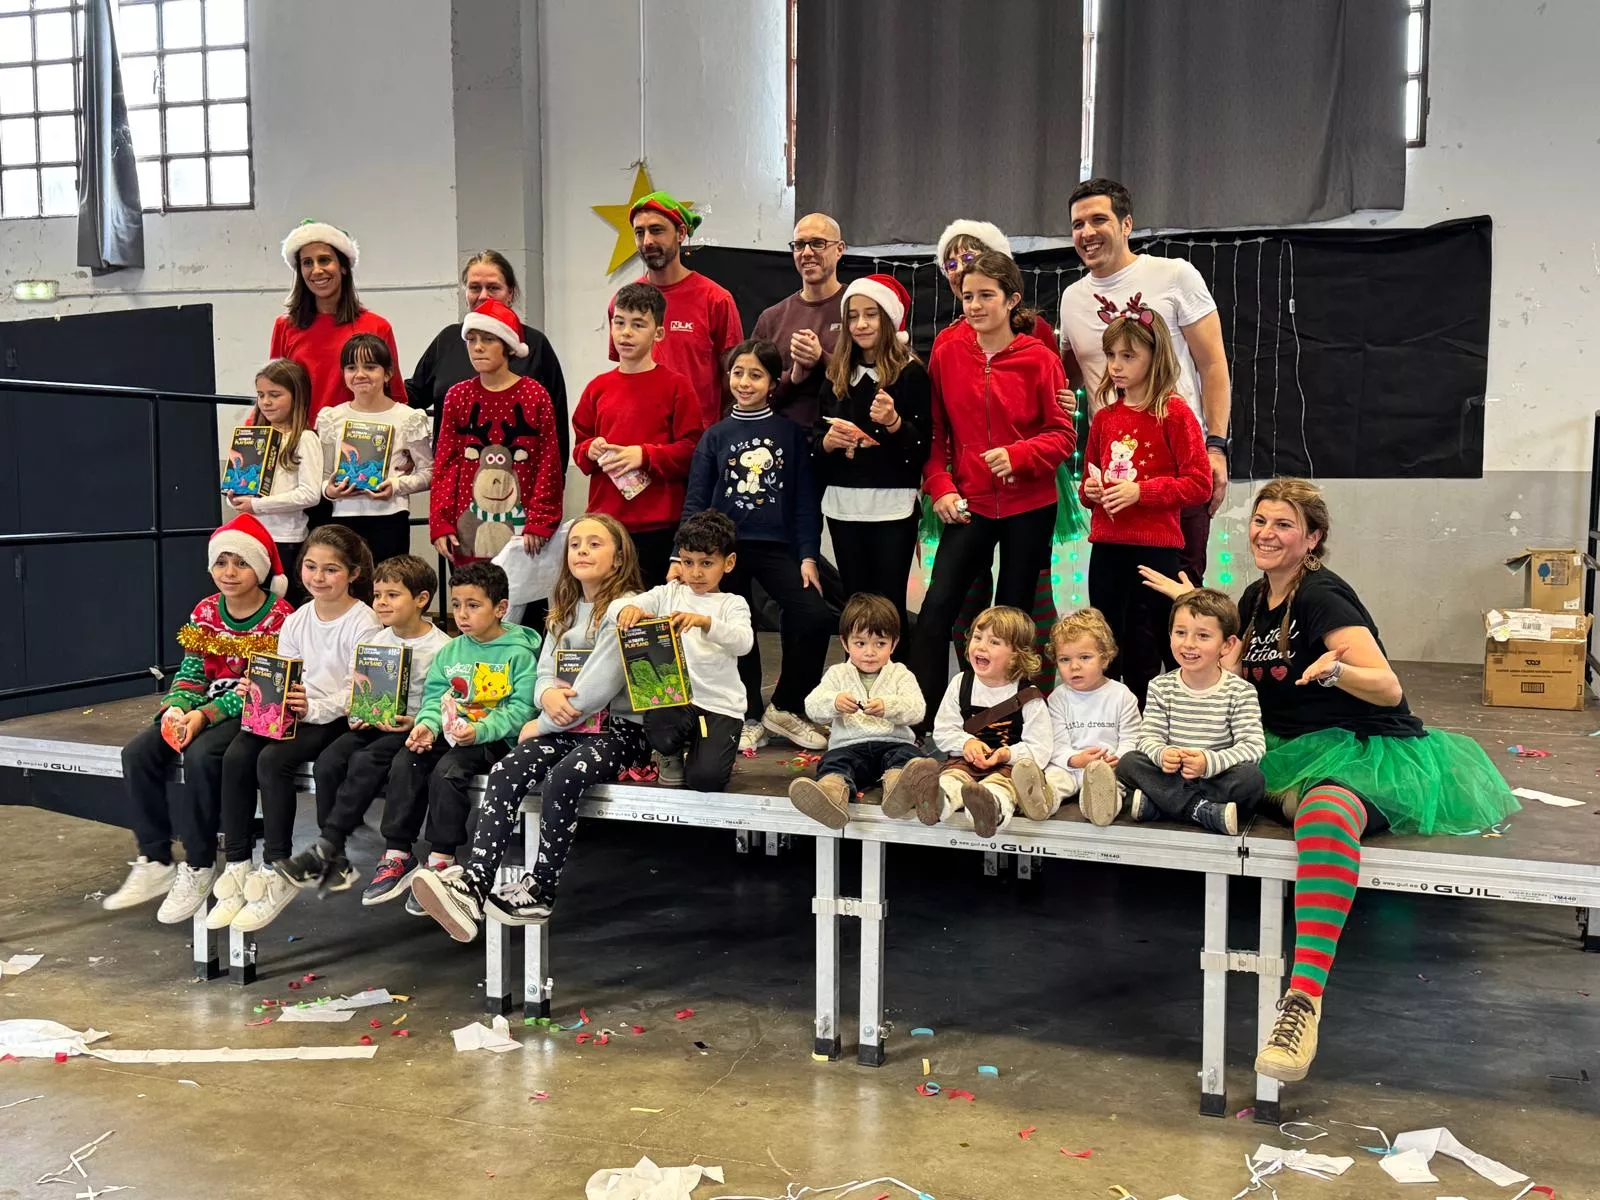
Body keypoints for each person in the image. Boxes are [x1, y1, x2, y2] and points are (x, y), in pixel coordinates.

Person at [1139, 479, 1519, 1083]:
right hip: (1283, 747)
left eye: (1284, 524)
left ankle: (1302, 1000)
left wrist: (1338, 670)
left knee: (1323, 815)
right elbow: (1237, 677)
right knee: (1184, 766)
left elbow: (1389, 688)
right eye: (1260, 520)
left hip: (1354, 747)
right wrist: (1198, 612)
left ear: (1312, 538)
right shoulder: (1257, 596)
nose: (1265, 532)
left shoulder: (1323, 597)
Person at [411, 516, 650, 938]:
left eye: (595, 544)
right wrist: (545, 698)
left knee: (562, 778)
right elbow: (544, 672)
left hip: (617, 731)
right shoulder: (565, 608)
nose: (581, 550)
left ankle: (541, 888)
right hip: (566, 725)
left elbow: (600, 685)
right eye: (575, 543)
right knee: (507, 769)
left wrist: (541, 720)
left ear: (618, 560)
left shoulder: (627, 609)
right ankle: (474, 885)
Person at [101, 515, 293, 921]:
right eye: (221, 563)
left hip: (247, 709)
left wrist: (203, 717)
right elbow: (191, 671)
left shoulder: (280, 617)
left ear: (259, 568)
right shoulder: (205, 610)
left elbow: (264, 688)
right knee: (139, 753)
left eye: (241, 563)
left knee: (204, 756)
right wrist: (176, 707)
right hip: (201, 707)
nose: (229, 573)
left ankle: (200, 864)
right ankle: (154, 859)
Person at [909, 252, 1074, 721]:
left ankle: (1006, 716)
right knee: (940, 604)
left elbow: (1063, 434)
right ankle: (922, 719)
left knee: (1015, 614)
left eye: (986, 296)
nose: (975, 306)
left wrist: (1018, 456)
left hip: (1030, 504)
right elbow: (936, 430)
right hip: (969, 502)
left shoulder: (1039, 358)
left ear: (1011, 300)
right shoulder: (946, 348)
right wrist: (939, 485)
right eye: (967, 297)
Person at [1059, 179, 1233, 585]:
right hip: (1114, 481)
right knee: (1117, 607)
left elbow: (1213, 365)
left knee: (1181, 598)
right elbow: (1064, 375)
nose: (1086, 233)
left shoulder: (1174, 276)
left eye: (1098, 219)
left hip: (1176, 465)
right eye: (1077, 224)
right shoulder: (1071, 298)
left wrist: (1217, 446)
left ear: (1126, 224)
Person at [210, 524, 382, 933]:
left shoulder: (364, 622)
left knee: (273, 760)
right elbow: (283, 672)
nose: (318, 577)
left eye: (331, 570)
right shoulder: (298, 619)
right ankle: (236, 863)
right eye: (310, 567)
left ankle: (276, 867)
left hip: (336, 718)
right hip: (296, 710)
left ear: (353, 574)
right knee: (236, 755)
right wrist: (260, 689)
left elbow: (361, 690)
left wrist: (313, 707)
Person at [272, 555, 452, 903]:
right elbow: (358, 694)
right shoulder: (375, 643)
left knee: (367, 760)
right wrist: (358, 714)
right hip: (374, 724)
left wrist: (414, 721)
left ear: (421, 599)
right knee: (329, 762)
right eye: (378, 595)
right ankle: (333, 847)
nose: (381, 603)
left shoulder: (441, 648)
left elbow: (443, 703)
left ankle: (333, 844)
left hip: (410, 728)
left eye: (392, 595)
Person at [683, 340, 832, 753]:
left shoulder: (788, 434)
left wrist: (807, 555)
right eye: (737, 373)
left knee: (814, 614)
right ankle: (748, 714)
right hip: (723, 553)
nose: (744, 383)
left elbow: (805, 501)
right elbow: (696, 501)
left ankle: (784, 706)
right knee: (736, 630)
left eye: (755, 375)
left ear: (773, 382)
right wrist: (683, 558)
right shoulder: (715, 436)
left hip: (776, 547)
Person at [1080, 307, 1211, 706]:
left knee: (1152, 636)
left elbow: (1200, 484)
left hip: (1156, 550)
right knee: (1107, 638)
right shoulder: (1104, 418)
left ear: (1155, 357)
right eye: (1111, 356)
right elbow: (1089, 487)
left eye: (1128, 356)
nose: (1116, 366)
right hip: (1107, 547)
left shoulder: (1174, 413)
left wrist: (1142, 492)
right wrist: (1092, 491)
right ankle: (1113, 720)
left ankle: (1166, 716)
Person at [394, 561, 541, 902]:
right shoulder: (450, 651)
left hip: (493, 741)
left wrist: (481, 730)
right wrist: (427, 726)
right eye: (457, 605)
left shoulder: (520, 654)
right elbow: (435, 699)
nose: (462, 614)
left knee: (448, 771)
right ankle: (396, 854)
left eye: (473, 605)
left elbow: (522, 710)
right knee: (408, 759)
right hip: (452, 735)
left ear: (501, 608)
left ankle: (442, 862)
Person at [816, 274, 931, 643]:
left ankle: (896, 680)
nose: (861, 324)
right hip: (844, 505)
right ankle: (858, 675)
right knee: (855, 600)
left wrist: (894, 424)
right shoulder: (836, 374)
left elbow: (921, 450)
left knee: (889, 602)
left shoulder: (910, 374)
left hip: (892, 506)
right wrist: (829, 443)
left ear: (888, 319)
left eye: (871, 315)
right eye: (853, 316)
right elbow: (816, 440)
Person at [573, 282, 704, 585]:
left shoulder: (677, 386)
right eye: (619, 323)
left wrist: (644, 455)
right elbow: (580, 447)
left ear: (658, 332)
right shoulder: (597, 387)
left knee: (652, 613)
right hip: (606, 524)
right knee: (609, 607)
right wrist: (590, 449)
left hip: (658, 525)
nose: (626, 333)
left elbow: (691, 450)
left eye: (638, 324)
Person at [614, 511, 754, 790]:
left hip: (720, 706)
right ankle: (669, 752)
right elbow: (614, 608)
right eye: (688, 562)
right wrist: (628, 608)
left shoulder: (732, 603)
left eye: (706, 563)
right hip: (677, 702)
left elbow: (744, 642)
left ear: (728, 563)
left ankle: (705, 749)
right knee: (662, 719)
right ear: (679, 559)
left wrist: (705, 622)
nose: (697, 572)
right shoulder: (669, 593)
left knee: (706, 779)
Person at [1115, 588, 1266, 835]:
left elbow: (1253, 747)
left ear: (1226, 645)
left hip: (1216, 779)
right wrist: (1162, 754)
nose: (1188, 644)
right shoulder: (1160, 686)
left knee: (1252, 780)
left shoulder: (1240, 691)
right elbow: (1148, 738)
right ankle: (1201, 810)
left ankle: (1160, 805)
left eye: (1203, 636)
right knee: (1129, 763)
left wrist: (1208, 762)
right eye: (1180, 633)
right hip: (1171, 774)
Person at [406, 248, 569, 470]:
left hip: (520, 481)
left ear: (510, 292)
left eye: (493, 287)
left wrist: (552, 491)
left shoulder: (535, 345)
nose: (483, 295)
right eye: (474, 287)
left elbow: (556, 428)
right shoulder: (447, 341)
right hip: (457, 481)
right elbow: (412, 396)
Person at [431, 299, 563, 569]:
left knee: (523, 606)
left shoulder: (535, 395)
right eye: (472, 339)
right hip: (467, 533)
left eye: (488, 339)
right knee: (472, 604)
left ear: (507, 345)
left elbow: (548, 463)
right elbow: (445, 463)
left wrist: (540, 521)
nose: (477, 347)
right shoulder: (457, 397)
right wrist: (441, 521)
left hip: (523, 535)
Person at [791, 594, 937, 830]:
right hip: (850, 747)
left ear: (894, 643)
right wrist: (835, 702)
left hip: (892, 743)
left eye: (880, 644)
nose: (870, 652)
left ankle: (898, 790)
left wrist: (889, 707)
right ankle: (830, 796)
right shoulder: (838, 674)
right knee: (835, 763)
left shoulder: (901, 674)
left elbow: (918, 710)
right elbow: (813, 706)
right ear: (845, 643)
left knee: (906, 757)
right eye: (860, 643)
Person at [905, 605, 1052, 838]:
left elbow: (1041, 749)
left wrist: (1006, 754)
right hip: (965, 761)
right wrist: (966, 743)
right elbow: (943, 729)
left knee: (1001, 785)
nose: (981, 646)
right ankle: (937, 803)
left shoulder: (1028, 696)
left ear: (1016, 654)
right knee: (952, 778)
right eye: (977, 637)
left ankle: (990, 809)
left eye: (994, 642)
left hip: (1007, 766)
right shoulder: (961, 683)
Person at [608, 191, 743, 429]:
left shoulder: (716, 300)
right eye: (640, 232)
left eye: (657, 230)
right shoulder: (622, 303)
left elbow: (732, 378)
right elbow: (624, 371)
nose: (647, 241)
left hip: (697, 442)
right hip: (640, 438)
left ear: (681, 233)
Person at [316, 334, 434, 566]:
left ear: (388, 373)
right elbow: (322, 474)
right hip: (343, 521)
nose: (360, 374)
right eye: (351, 367)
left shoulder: (408, 418)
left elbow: (429, 472)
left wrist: (397, 486)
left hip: (390, 519)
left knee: (388, 588)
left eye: (370, 367)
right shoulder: (332, 417)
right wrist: (329, 491)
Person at [271, 220, 404, 421]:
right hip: (302, 443)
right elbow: (273, 389)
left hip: (360, 443)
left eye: (324, 260)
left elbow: (395, 395)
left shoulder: (377, 326)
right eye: (307, 262)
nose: (316, 270)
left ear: (343, 266)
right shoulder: (285, 326)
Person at [226, 359, 322, 607]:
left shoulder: (305, 439)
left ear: (296, 396)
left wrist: (257, 505)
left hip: (285, 540)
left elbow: (310, 495)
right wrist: (234, 494)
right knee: (253, 606)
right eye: (261, 395)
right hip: (252, 536)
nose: (265, 402)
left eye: (275, 395)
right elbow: (244, 484)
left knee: (282, 607)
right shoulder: (254, 437)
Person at [1043, 607, 1140, 826]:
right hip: (1070, 766)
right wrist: (1075, 760)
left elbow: (1132, 740)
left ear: (1105, 658)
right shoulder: (1057, 698)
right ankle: (1042, 802)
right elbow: (1055, 744)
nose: (1074, 666)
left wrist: (1116, 759)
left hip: (1109, 767)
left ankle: (1102, 807)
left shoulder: (1121, 695)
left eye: (1085, 657)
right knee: (1052, 780)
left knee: (1113, 784)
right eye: (1064, 659)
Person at [752, 212, 847, 431]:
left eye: (817, 243)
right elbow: (754, 395)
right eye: (799, 245)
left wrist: (821, 358)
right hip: (783, 446)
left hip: (844, 449)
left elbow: (873, 384)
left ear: (839, 249)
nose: (806, 253)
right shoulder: (771, 318)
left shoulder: (859, 309)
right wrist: (793, 378)